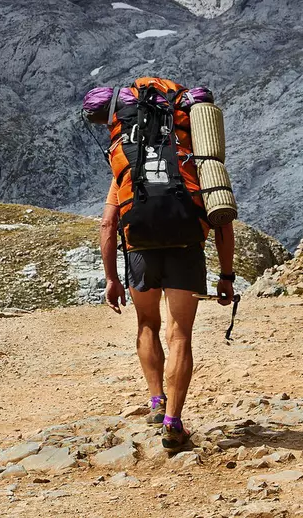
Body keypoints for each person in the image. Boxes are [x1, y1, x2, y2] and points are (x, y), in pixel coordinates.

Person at [101, 179, 235, 452]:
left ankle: (156, 402)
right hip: (186, 250)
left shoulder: (129, 161)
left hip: (139, 251)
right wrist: (226, 274)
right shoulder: (193, 159)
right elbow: (222, 218)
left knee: (147, 323)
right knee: (180, 335)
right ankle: (173, 423)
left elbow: (107, 223)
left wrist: (111, 278)